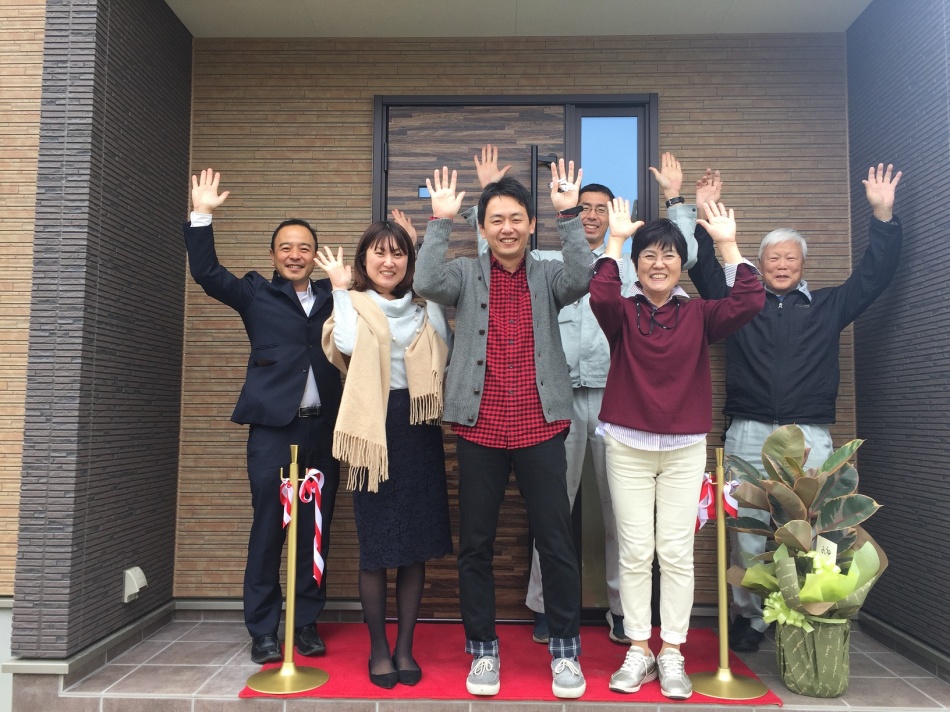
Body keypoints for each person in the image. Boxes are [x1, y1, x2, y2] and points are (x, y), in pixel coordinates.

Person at [466, 146, 700, 646]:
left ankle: (624, 610)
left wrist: (676, 199)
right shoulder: (548, 262)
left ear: (613, 217)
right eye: (583, 208)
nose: (591, 216)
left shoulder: (633, 265)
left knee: (623, 513)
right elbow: (492, 252)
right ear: (571, 214)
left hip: (618, 401)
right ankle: (545, 606)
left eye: (601, 209)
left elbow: (688, 256)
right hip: (554, 401)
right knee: (552, 510)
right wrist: (486, 194)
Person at [687, 163, 903, 652]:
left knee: (818, 528)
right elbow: (703, 270)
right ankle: (751, 618)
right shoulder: (741, 303)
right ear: (759, 264)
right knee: (747, 529)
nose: (781, 265)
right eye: (772, 258)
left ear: (803, 264)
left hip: (810, 436)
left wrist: (882, 216)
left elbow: (874, 276)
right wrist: (702, 214)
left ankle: (809, 615)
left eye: (790, 258)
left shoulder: (828, 305)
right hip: (748, 431)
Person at [414, 163, 591, 699]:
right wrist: (440, 222)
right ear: (483, 227)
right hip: (480, 428)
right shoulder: (465, 274)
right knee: (476, 545)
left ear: (532, 224)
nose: (507, 228)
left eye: (517, 218)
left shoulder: (549, 274)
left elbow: (582, 278)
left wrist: (570, 215)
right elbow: (425, 282)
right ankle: (483, 650)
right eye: (496, 220)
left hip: (541, 426)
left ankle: (565, 652)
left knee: (556, 542)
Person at [590, 198, 764, 700]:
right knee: (635, 551)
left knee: (675, 552)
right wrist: (616, 240)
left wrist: (728, 245)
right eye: (648, 255)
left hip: (685, 449)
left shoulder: (700, 314)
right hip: (627, 446)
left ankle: (671, 652)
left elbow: (749, 301)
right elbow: (600, 292)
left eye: (668, 254)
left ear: (680, 263)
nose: (658, 263)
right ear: (636, 264)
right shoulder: (622, 312)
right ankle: (638, 648)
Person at [183, 169, 343, 664]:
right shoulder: (256, 292)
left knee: (314, 528)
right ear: (273, 255)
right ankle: (264, 630)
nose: (295, 255)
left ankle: (305, 622)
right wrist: (201, 215)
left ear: (315, 255)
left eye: (304, 248)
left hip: (324, 428)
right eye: (285, 248)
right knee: (270, 527)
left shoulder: (336, 296)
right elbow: (208, 274)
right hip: (274, 430)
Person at [315, 216, 453, 689]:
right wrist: (339, 289)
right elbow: (347, 345)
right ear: (364, 259)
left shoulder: (424, 306)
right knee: (375, 549)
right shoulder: (354, 303)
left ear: (409, 262)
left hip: (418, 427)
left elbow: (444, 348)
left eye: (398, 253)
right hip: (372, 429)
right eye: (380, 252)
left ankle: (405, 647)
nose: (389, 261)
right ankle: (378, 649)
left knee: (414, 548)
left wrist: (428, 271)